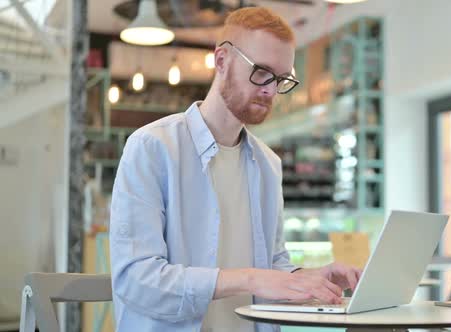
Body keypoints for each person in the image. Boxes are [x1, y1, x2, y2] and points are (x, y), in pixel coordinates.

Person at [109, 7, 361, 332]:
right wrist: (252, 278)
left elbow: (272, 265)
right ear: (222, 61)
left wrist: (309, 279)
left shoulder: (269, 164)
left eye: (281, 78)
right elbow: (136, 281)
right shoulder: (152, 148)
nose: (271, 90)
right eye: (261, 72)